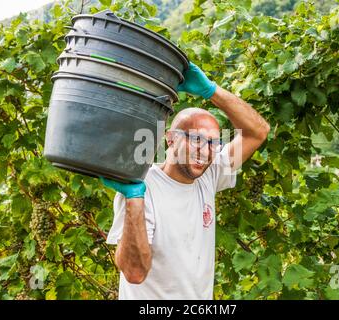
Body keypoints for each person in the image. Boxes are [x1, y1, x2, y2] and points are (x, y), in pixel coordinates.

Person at [102, 62, 271, 299]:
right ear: (171, 139)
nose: (205, 150)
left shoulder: (208, 176)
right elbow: (134, 272)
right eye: (196, 139)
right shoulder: (141, 188)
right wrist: (134, 200)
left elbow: (258, 131)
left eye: (213, 143)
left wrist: (211, 91)